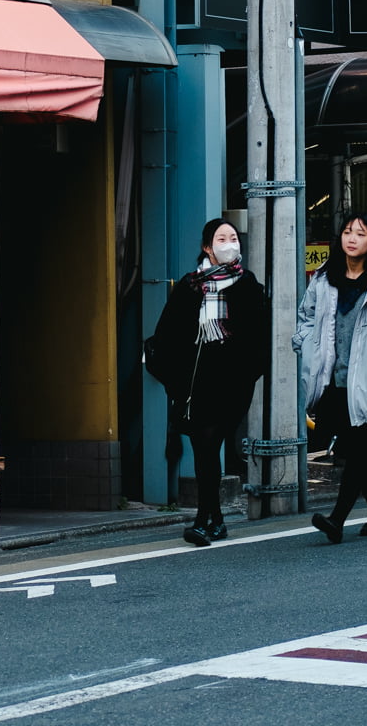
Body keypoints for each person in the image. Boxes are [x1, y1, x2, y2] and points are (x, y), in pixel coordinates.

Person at [147, 218, 269, 547]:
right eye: (221, 238)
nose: (229, 242)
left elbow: (259, 336)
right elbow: (168, 333)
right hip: (197, 380)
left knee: (209, 443)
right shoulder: (190, 285)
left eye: (232, 237)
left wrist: (248, 372)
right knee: (204, 447)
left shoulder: (247, 284)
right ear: (207, 247)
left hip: (231, 379)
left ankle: (206, 518)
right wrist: (175, 376)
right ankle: (212, 518)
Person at [294, 211, 367, 544]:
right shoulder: (324, 279)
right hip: (332, 381)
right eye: (347, 232)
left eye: (360, 233)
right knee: (352, 452)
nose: (352, 238)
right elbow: (306, 318)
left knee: (356, 448)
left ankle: (337, 521)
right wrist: (305, 345)